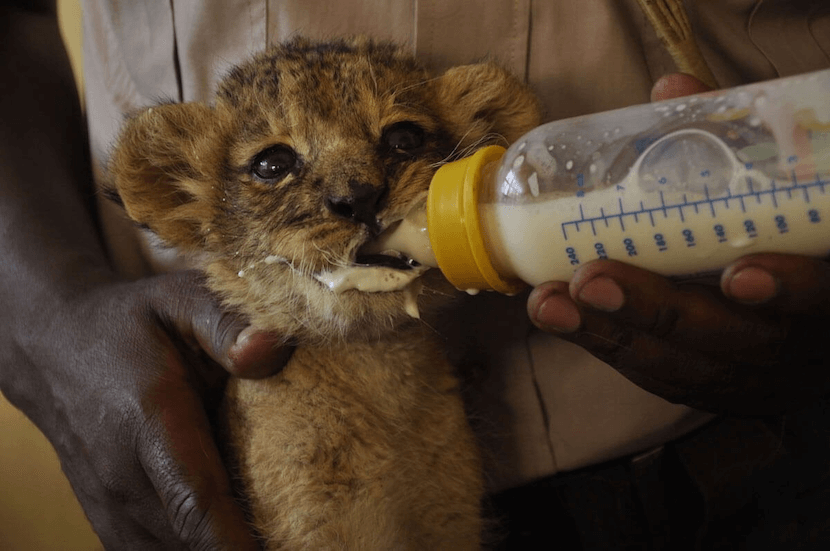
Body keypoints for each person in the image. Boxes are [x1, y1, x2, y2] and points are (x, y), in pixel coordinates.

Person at [1, 0, 828, 549]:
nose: (354, 188)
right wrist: (36, 311)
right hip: (223, 421)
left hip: (758, 448)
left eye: (402, 141)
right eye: (274, 163)